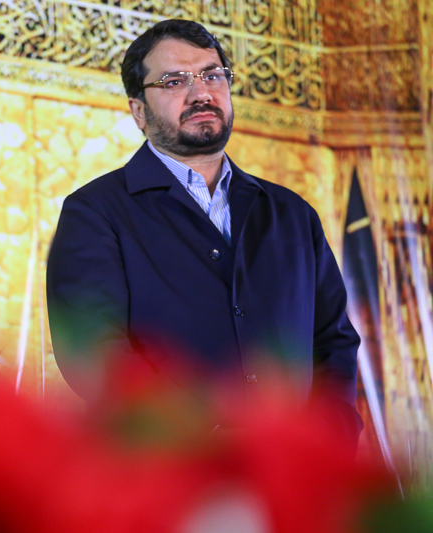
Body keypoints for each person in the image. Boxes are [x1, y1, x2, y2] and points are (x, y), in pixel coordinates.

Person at [46, 20, 361, 443]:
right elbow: (94, 353)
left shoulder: (291, 214)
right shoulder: (96, 212)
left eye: (213, 76)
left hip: (290, 469)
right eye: (175, 81)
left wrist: (331, 436)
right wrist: (199, 438)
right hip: (164, 468)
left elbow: (332, 342)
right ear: (138, 111)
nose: (201, 94)